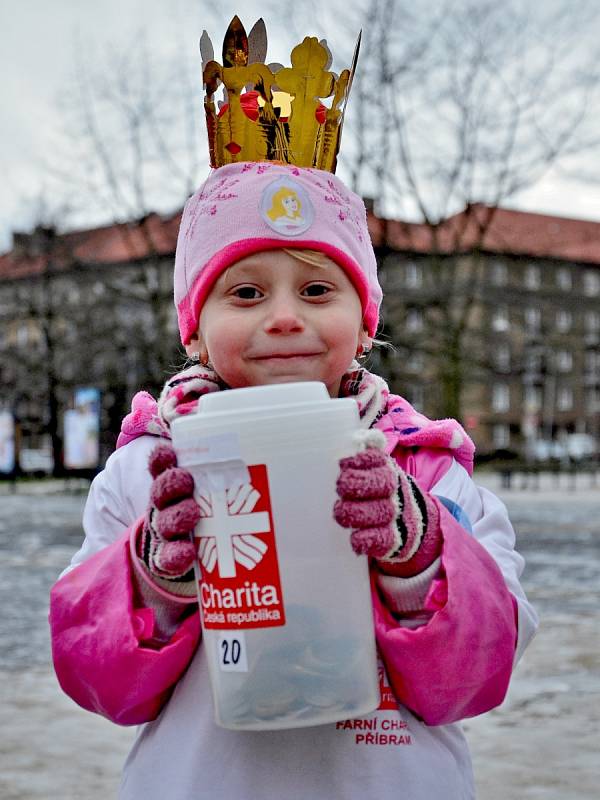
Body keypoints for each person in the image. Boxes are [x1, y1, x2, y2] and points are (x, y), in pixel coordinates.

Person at [49, 21, 537, 800]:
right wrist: (153, 574)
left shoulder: (428, 470)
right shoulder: (149, 472)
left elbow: (479, 675)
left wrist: (418, 553)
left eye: (317, 290)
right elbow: (98, 681)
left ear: (365, 322)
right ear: (196, 328)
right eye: (245, 293)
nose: (283, 317)